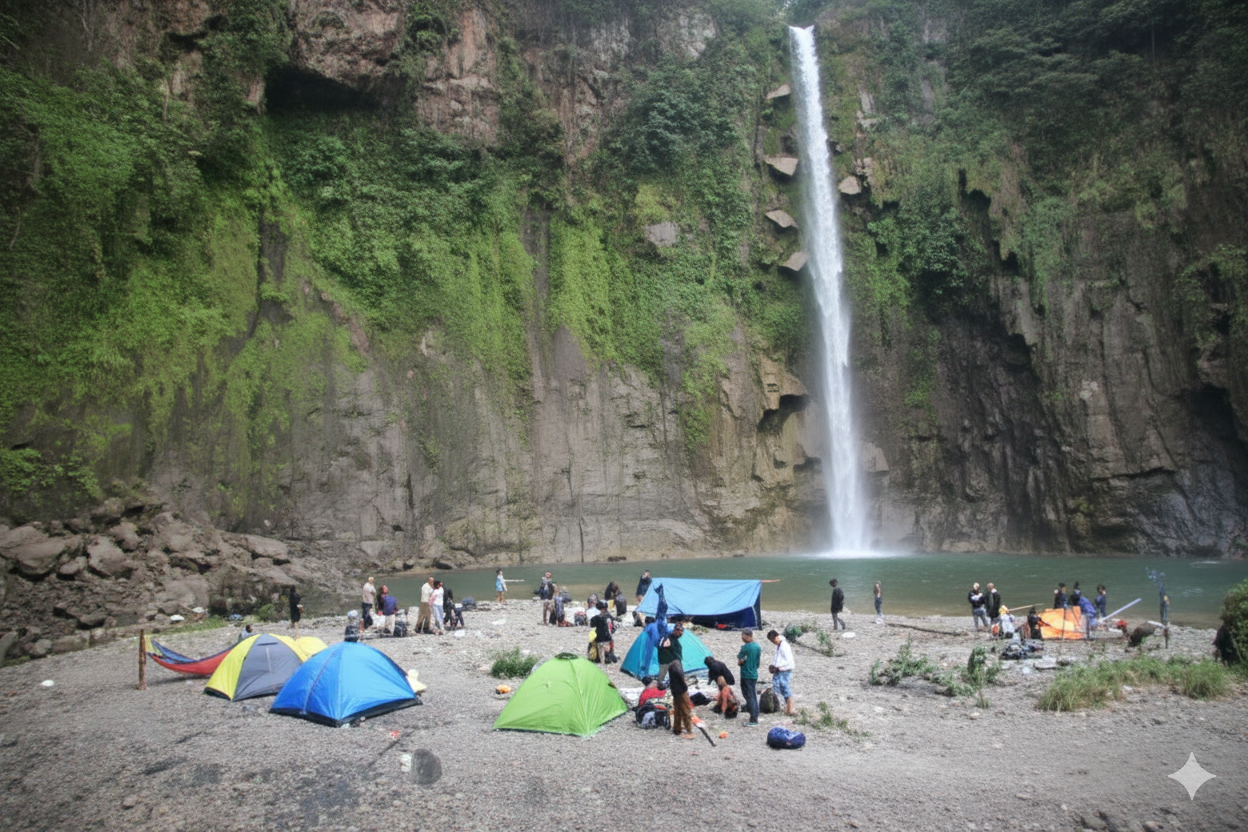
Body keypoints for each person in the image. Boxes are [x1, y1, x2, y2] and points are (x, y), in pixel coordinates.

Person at [767, 629, 796, 716]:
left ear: (777, 637)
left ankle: (791, 708)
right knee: (778, 687)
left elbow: (788, 660)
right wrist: (774, 666)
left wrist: (778, 666)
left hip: (785, 669)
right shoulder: (779, 646)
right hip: (779, 669)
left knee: (785, 687)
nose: (773, 642)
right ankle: (786, 707)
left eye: (774, 640)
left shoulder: (784, 646)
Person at [737, 628, 761, 726]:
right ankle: (751, 709)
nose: (742, 639)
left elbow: (740, 659)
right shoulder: (757, 647)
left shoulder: (745, 647)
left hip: (746, 674)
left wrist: (741, 662)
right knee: (753, 694)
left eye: (743, 637)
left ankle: (753, 719)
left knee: (749, 695)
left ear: (747, 636)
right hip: (754, 674)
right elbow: (757, 662)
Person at [667, 661, 694, 739]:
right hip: (681, 692)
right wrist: (685, 687)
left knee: (677, 710)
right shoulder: (678, 670)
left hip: (675, 692)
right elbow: (683, 684)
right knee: (685, 710)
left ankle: (677, 728)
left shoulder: (671, 669)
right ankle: (689, 729)